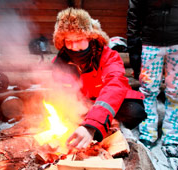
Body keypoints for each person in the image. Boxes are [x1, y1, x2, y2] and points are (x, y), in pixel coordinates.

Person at [52, 7, 147, 149]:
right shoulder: (60, 62)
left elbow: (115, 86)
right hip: (83, 104)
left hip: (108, 101)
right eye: (68, 41)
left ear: (90, 38)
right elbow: (60, 95)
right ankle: (97, 122)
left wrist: (91, 126)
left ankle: (114, 124)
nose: (74, 47)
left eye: (79, 39)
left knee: (133, 111)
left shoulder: (109, 56)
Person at [127, 0, 178, 162]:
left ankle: (172, 138)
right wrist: (134, 45)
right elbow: (134, 14)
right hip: (150, 43)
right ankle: (148, 133)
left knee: (177, 91)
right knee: (147, 89)